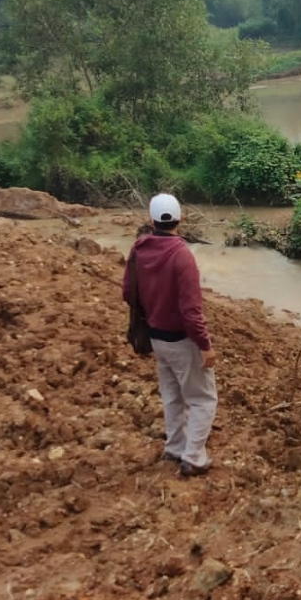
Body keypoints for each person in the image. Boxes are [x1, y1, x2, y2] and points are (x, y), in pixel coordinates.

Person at [123, 193, 217, 477]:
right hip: (181, 340)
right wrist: (205, 344)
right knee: (203, 399)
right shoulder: (181, 255)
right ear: (181, 219)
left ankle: (175, 447)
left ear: (150, 221)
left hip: (155, 338)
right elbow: (191, 311)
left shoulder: (138, 250)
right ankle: (194, 457)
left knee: (172, 395)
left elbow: (128, 293)